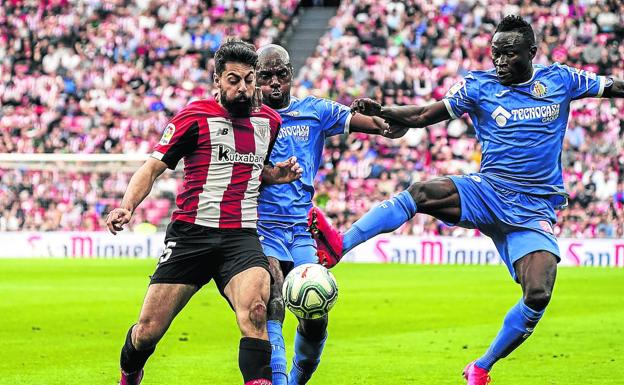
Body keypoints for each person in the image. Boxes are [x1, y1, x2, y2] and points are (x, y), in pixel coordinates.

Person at [307, 15, 624, 385]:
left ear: (531, 52)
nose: (500, 62)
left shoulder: (561, 80)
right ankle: (340, 245)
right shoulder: (479, 86)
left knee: (538, 293)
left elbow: (612, 85)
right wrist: (383, 111)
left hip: (533, 207)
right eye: (495, 54)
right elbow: (426, 114)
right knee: (423, 191)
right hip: (487, 191)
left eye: (509, 54)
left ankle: (481, 367)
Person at [106, 39, 303, 385]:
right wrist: (126, 206)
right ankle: (129, 371)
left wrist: (275, 175)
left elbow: (254, 170)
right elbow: (152, 167)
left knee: (257, 312)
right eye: (233, 80)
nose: (243, 88)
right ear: (217, 81)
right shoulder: (193, 117)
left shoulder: (269, 122)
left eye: (248, 79)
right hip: (191, 235)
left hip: (240, 237)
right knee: (147, 333)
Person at [254, 44, 395, 385]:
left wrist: (385, 114)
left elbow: (383, 127)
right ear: (256, 79)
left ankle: (297, 379)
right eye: (266, 76)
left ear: (291, 75)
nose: (275, 83)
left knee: (316, 315)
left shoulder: (314, 111)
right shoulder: (248, 119)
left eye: (281, 75)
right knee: (272, 302)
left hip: (301, 231)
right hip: (260, 228)